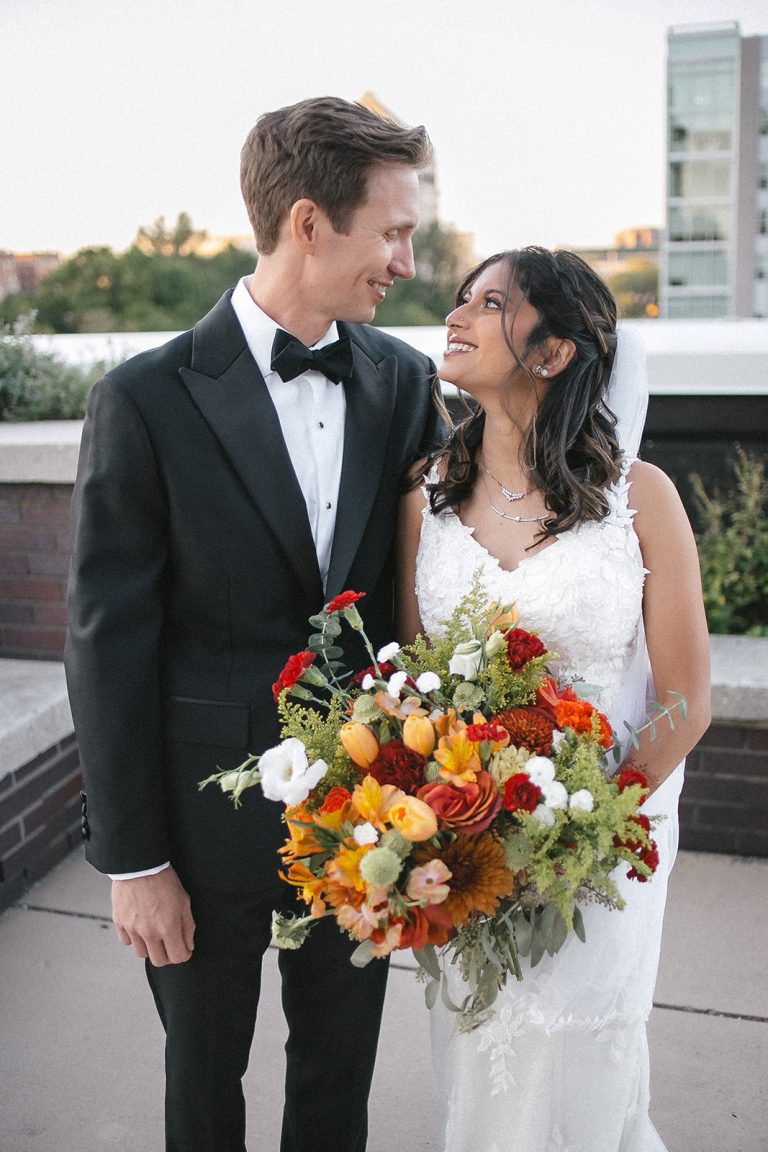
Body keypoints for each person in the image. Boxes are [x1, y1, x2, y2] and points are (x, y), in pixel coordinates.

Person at [64, 96, 441, 1152]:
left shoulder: (407, 384)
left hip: (364, 822)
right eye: (394, 231)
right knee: (203, 1086)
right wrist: (134, 862)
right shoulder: (144, 398)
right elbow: (107, 642)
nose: (406, 262)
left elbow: (423, 604)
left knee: (337, 1084)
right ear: (312, 223)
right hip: (196, 832)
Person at [397, 246, 711, 1152]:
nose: (455, 317)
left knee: (580, 1060)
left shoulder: (638, 497)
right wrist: (454, 830)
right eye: (460, 298)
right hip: (467, 839)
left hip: (602, 844)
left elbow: (684, 700)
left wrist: (583, 830)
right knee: (480, 1054)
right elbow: (414, 685)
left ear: (553, 352)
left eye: (489, 302)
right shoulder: (423, 497)